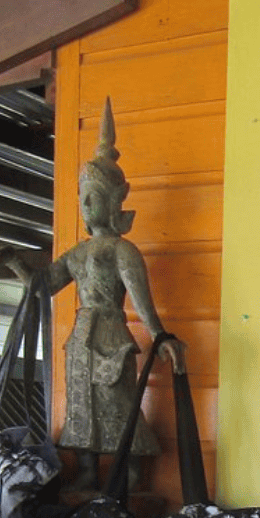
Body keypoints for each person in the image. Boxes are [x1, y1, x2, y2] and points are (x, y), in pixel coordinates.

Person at [0, 96, 184, 492]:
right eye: (82, 196)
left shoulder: (123, 250)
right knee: (81, 406)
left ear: (114, 201)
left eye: (93, 197)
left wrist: (159, 336)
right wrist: (15, 262)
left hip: (112, 335)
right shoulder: (78, 253)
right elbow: (45, 284)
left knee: (117, 405)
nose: (85, 205)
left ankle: (131, 472)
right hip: (80, 339)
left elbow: (141, 300)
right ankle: (86, 470)